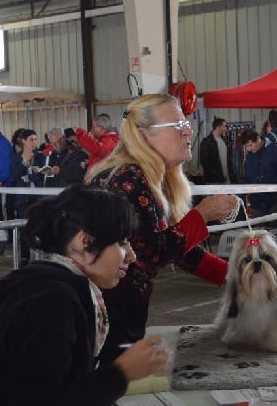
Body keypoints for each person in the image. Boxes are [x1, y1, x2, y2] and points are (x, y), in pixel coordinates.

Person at [0, 185, 169, 406]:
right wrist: (122, 373)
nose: (131, 256)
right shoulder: (52, 303)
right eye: (121, 243)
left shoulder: (52, 288)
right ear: (85, 242)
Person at [87, 94, 238, 363]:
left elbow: (182, 251)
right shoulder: (127, 181)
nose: (189, 131)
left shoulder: (151, 178)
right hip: (103, 317)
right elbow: (150, 253)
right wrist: (202, 216)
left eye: (186, 123)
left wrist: (237, 277)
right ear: (145, 136)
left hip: (121, 313)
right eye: (178, 125)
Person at [238, 128, 277, 216]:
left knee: (275, 228)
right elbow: (248, 176)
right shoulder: (250, 158)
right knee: (258, 228)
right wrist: (243, 191)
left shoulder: (274, 150)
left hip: (275, 202)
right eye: (246, 147)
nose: (249, 149)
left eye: (250, 145)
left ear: (258, 139)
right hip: (257, 203)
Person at [9, 129, 45, 266]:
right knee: (23, 227)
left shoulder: (40, 156)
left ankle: (40, 254)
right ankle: (24, 256)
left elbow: (41, 174)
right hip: (22, 198)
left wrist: (27, 177)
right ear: (23, 141)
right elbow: (14, 174)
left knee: (39, 225)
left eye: (35, 139)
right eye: (31, 139)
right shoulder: (16, 158)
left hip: (38, 196)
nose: (34, 142)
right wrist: (25, 162)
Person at [199, 117, 235, 184]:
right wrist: (216, 176)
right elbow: (204, 161)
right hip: (213, 181)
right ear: (218, 127)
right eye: (224, 126)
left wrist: (232, 176)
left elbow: (228, 160)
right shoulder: (206, 142)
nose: (226, 129)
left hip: (227, 180)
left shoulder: (224, 141)